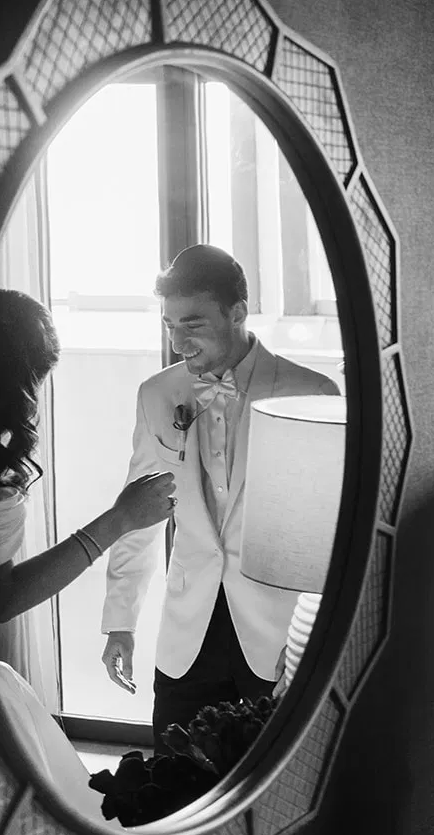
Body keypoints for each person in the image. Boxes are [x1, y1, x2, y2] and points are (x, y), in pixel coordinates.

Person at [99, 245, 339, 747]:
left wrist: (324, 636)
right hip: (188, 634)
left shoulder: (311, 393)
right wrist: (120, 622)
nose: (178, 341)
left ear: (237, 313)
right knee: (172, 781)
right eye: (169, 326)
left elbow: (332, 532)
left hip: (277, 633)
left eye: (193, 324)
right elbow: (138, 512)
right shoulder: (157, 395)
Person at [0, 288, 176, 819]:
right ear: (6, 372)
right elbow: (1, 594)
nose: (35, 394)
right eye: (33, 376)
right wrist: (119, 520)